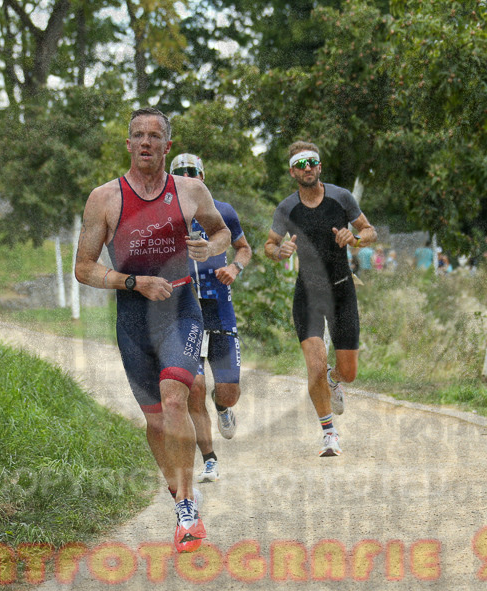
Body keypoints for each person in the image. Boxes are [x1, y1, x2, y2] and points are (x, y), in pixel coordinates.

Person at [75, 108, 232, 553]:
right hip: (132, 317)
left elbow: (224, 235)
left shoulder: (190, 190)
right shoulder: (104, 199)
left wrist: (208, 247)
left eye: (154, 136)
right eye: (138, 135)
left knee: (175, 396)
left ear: (167, 144)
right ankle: (178, 490)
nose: (146, 142)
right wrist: (133, 282)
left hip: (181, 308)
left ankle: (187, 511)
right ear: (128, 144)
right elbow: (83, 268)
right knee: (155, 421)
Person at [263, 141, 381, 457]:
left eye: (312, 162)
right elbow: (269, 245)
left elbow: (370, 231)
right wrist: (279, 251)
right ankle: (329, 433)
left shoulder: (341, 198)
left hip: (342, 291)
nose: (307, 168)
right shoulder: (286, 208)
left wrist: (354, 239)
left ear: (319, 166)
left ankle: (334, 379)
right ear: (292, 171)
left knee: (349, 372)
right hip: (308, 294)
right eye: (300, 164)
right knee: (315, 364)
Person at [169, 153, 252, 484]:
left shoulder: (223, 211)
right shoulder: (165, 219)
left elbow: (243, 247)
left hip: (220, 309)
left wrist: (234, 267)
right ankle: (210, 460)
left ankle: (223, 409)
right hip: (184, 311)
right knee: (196, 387)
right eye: (181, 176)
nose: (189, 181)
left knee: (228, 391)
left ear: (203, 176)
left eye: (194, 175)